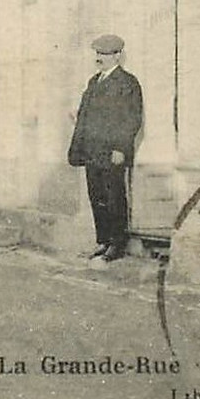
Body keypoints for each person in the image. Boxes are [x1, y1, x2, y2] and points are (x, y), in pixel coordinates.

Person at [66, 33, 143, 262]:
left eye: (105, 54)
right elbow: (91, 112)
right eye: (97, 53)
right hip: (92, 150)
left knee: (113, 196)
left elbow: (132, 119)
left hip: (112, 152)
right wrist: (78, 117)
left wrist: (120, 148)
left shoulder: (127, 83)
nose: (99, 58)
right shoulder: (94, 81)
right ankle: (104, 241)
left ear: (117, 56)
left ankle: (117, 244)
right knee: (96, 195)